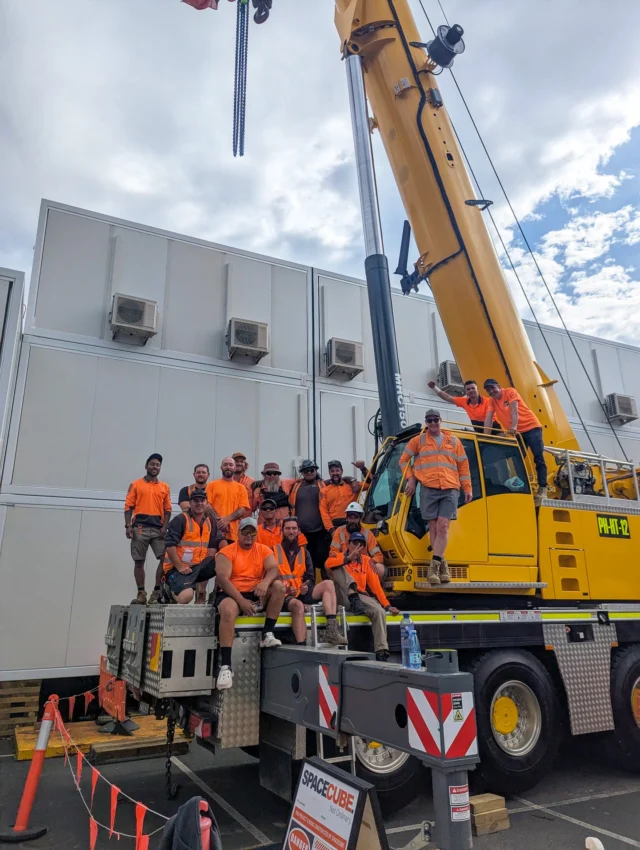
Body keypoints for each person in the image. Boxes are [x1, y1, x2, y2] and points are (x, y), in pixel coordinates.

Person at [400, 409, 472, 585]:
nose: (432, 423)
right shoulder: (418, 441)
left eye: (435, 420)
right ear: (426, 422)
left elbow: (463, 466)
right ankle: (442, 564)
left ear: (441, 420)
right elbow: (403, 460)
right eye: (429, 420)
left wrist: (467, 488)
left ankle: (434, 567)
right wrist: (410, 479)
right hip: (428, 488)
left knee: (443, 525)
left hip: (450, 488)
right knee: (433, 527)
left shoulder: (454, 441)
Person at [214, 518, 286, 690]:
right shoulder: (226, 552)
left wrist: (265, 582)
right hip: (231, 593)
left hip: (255, 592)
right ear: (238, 533)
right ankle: (226, 666)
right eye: (245, 532)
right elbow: (223, 580)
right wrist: (241, 601)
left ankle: (267, 634)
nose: (249, 536)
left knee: (279, 587)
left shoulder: (263, 550)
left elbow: (274, 569)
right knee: (229, 611)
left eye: (252, 532)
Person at [326, 532, 399, 661]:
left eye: (361, 544)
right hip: (341, 595)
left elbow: (376, 586)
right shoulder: (337, 555)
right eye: (354, 543)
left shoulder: (366, 560)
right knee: (337, 567)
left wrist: (387, 605)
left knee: (379, 611)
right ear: (348, 544)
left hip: (359, 599)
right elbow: (328, 565)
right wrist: (348, 559)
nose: (357, 546)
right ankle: (352, 594)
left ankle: (381, 650)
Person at [275, 517, 347, 646]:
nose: (291, 531)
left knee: (328, 584)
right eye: (288, 528)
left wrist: (306, 587)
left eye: (294, 528)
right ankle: (301, 645)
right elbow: (270, 576)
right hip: (283, 595)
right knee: (297, 605)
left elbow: (310, 577)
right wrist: (285, 588)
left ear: (298, 531)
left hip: (301, 592)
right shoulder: (273, 551)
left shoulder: (305, 553)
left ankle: (331, 629)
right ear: (282, 531)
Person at [483, 379, 548, 502]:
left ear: (499, 386)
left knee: (538, 457)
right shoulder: (492, 401)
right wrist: (486, 437)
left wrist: (513, 427)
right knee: (517, 459)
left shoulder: (510, 392)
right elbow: (489, 418)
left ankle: (543, 487)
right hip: (518, 433)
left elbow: (514, 409)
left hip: (531, 427)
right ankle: (523, 486)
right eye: (488, 390)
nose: (491, 391)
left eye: (492, 388)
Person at [124, 453, 172, 605]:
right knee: (139, 561)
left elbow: (168, 509)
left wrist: (165, 526)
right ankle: (141, 593)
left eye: (157, 465)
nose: (155, 467)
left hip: (158, 529)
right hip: (140, 528)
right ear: (146, 466)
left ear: (160, 468)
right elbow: (129, 506)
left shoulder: (164, 487)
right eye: (152, 464)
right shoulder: (136, 484)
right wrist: (128, 526)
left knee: (165, 559)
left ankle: (156, 592)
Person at [162, 489, 221, 604]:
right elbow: (169, 545)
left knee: (225, 562)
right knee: (186, 597)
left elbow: (219, 540)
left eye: (202, 500)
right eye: (196, 501)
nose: (199, 503)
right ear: (190, 503)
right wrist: (179, 566)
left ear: (206, 503)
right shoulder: (180, 519)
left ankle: (218, 594)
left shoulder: (210, 521)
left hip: (198, 566)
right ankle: (171, 591)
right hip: (178, 568)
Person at [289, 459, 331, 579]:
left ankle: (327, 589)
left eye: (311, 470)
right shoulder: (295, 486)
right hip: (301, 534)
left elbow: (341, 479)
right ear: (302, 472)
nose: (309, 472)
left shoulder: (323, 485)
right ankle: (308, 590)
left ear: (315, 470)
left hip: (320, 533)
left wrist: (353, 479)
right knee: (305, 563)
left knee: (324, 562)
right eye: (305, 470)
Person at [329, 502, 384, 578]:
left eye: (355, 517)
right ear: (347, 518)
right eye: (350, 517)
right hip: (345, 565)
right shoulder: (339, 531)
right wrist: (347, 558)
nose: (352, 520)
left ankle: (369, 588)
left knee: (380, 568)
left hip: (363, 567)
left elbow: (378, 556)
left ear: (360, 519)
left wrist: (371, 562)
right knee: (328, 564)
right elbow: (333, 553)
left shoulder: (367, 533)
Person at [206, 457, 251, 543]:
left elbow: (242, 509)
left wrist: (227, 519)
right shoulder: (211, 485)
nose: (228, 467)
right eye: (225, 464)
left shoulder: (241, 488)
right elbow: (207, 506)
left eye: (231, 465)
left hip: (233, 534)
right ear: (221, 467)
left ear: (234, 468)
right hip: (213, 530)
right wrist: (220, 521)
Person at [428, 379, 497, 433]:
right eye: (468, 389)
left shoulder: (488, 401)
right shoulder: (465, 401)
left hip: (495, 431)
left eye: (473, 388)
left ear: (477, 390)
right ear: (466, 392)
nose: (471, 390)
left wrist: (485, 438)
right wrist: (434, 388)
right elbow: (448, 398)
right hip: (481, 432)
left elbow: (489, 420)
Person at [319, 460, 354, 531]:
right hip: (334, 525)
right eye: (332, 471)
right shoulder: (324, 491)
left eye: (337, 470)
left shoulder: (352, 486)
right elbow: (323, 511)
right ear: (329, 472)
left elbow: (369, 484)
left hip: (351, 523)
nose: (335, 473)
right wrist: (331, 529)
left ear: (342, 471)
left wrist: (362, 468)